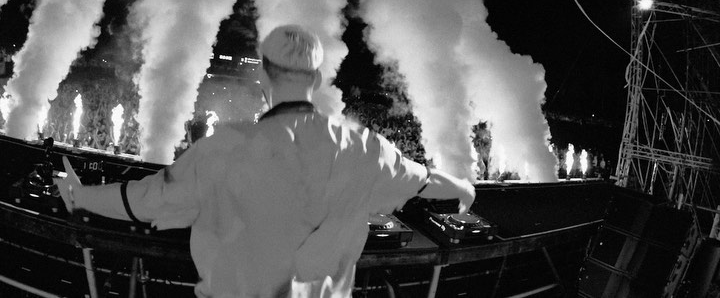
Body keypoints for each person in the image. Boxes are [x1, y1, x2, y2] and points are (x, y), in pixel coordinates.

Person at [54, 24, 476, 298]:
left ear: (263, 77)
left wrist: (81, 196)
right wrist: (463, 187)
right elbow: (426, 182)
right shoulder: (365, 148)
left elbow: (145, 200)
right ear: (315, 78)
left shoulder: (222, 148)